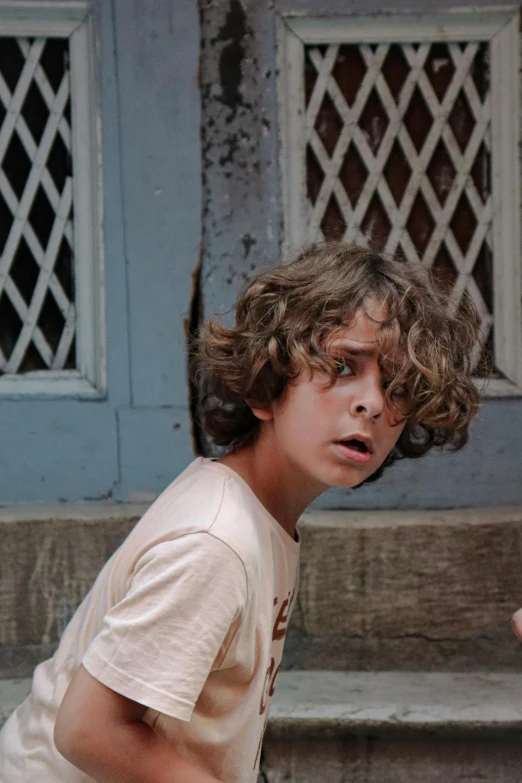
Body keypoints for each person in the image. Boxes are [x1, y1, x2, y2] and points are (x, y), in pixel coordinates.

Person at [0, 243, 481, 783]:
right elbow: (88, 730)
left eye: (397, 384)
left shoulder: (254, 513)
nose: (372, 402)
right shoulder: (218, 540)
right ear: (265, 386)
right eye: (342, 365)